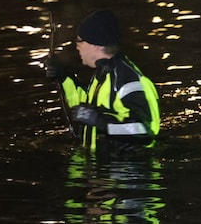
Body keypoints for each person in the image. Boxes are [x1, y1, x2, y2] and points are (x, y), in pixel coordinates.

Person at [46, 9, 161, 155]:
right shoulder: (104, 72)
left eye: (80, 41)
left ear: (96, 44)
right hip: (102, 167)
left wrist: (101, 123)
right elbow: (87, 108)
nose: (77, 46)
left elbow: (145, 129)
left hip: (127, 171)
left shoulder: (129, 79)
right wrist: (63, 77)